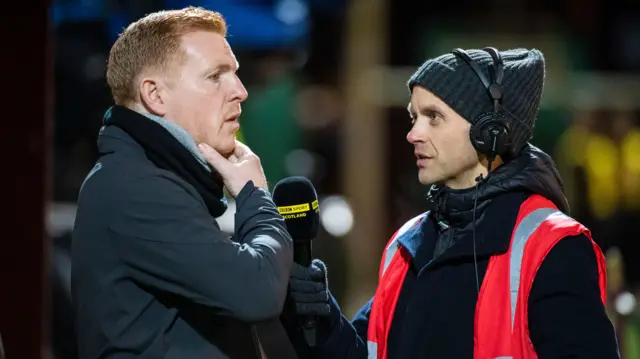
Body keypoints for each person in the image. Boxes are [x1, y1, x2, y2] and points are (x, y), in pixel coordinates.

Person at [284, 47, 621, 358]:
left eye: (434, 117)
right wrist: (321, 316)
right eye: (414, 117)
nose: (414, 134)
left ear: (490, 132)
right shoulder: (408, 244)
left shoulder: (553, 247)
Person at [71, 7, 294, 359]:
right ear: (155, 95)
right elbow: (256, 291)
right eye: (214, 76)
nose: (240, 90)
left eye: (234, 73)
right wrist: (257, 198)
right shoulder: (135, 187)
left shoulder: (158, 178)